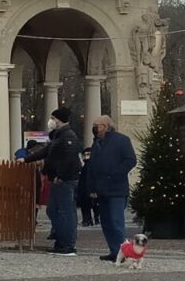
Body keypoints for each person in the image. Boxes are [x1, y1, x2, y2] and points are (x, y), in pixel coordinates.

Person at [81, 113, 139, 263]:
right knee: (106, 222)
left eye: (97, 126)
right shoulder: (97, 143)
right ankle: (115, 251)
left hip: (116, 188)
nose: (94, 128)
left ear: (106, 127)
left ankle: (125, 252)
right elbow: (92, 166)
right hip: (101, 189)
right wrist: (91, 187)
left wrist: (115, 172)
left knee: (116, 221)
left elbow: (131, 160)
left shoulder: (121, 140)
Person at [40, 107, 82, 255]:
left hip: (64, 180)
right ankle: (61, 240)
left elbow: (69, 158)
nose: (51, 121)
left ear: (60, 119)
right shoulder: (58, 135)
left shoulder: (68, 136)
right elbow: (47, 152)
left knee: (66, 212)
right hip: (57, 179)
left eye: (54, 118)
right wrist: (26, 159)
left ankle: (68, 244)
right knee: (53, 210)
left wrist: (61, 175)